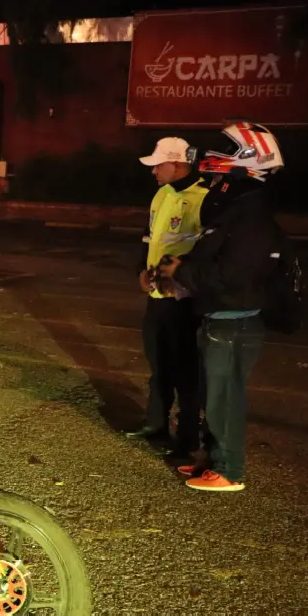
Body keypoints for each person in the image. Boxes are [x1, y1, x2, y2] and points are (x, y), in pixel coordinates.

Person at [158, 123, 285, 492]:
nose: (218, 156)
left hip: (233, 322)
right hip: (220, 318)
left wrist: (183, 270)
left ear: (250, 158)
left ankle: (230, 471)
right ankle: (213, 461)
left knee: (224, 400)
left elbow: (230, 273)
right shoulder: (240, 208)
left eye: (230, 149)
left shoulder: (251, 214)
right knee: (215, 398)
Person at [125, 137, 208, 460]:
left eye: (158, 165)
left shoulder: (204, 199)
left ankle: (187, 438)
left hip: (184, 301)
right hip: (157, 296)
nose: (154, 171)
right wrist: (140, 272)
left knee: (186, 370)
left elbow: (207, 252)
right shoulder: (162, 194)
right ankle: (155, 423)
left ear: (177, 164)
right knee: (158, 364)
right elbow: (149, 239)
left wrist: (186, 278)